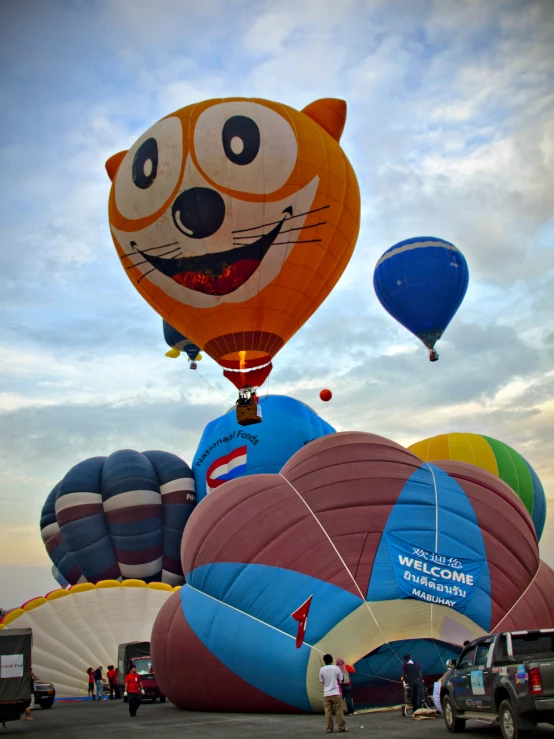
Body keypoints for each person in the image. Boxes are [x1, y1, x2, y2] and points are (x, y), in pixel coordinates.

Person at [319, 653, 347, 734]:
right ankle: (341, 727)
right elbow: (341, 680)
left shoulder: (322, 669)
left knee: (328, 712)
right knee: (339, 710)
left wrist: (327, 686)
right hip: (336, 693)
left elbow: (321, 681)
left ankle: (329, 728)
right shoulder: (336, 668)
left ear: (324, 661)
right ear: (332, 660)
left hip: (327, 694)